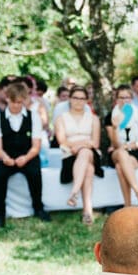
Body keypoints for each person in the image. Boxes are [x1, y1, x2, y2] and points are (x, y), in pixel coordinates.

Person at [0, 81, 50, 227]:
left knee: (35, 174)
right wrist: (5, 158)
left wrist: (26, 157)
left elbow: (36, 146)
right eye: (13, 102)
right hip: (6, 156)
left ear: (23, 100)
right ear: (7, 99)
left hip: (27, 155)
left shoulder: (34, 117)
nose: (16, 106)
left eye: (19, 102)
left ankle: (38, 207)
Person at [55, 85, 101, 225]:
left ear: (87, 100)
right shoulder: (61, 119)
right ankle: (87, 211)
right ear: (69, 99)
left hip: (90, 151)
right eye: (75, 98)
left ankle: (74, 192)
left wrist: (80, 145)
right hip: (69, 154)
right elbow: (61, 140)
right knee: (88, 168)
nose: (79, 101)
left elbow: (95, 142)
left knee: (85, 152)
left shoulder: (93, 119)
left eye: (82, 99)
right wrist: (77, 146)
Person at [107, 84, 138, 208]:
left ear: (131, 98)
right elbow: (116, 145)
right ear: (116, 99)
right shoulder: (110, 117)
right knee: (121, 154)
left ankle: (127, 206)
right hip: (117, 152)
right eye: (121, 97)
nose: (124, 100)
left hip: (136, 153)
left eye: (127, 97)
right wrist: (115, 128)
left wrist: (129, 145)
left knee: (120, 167)